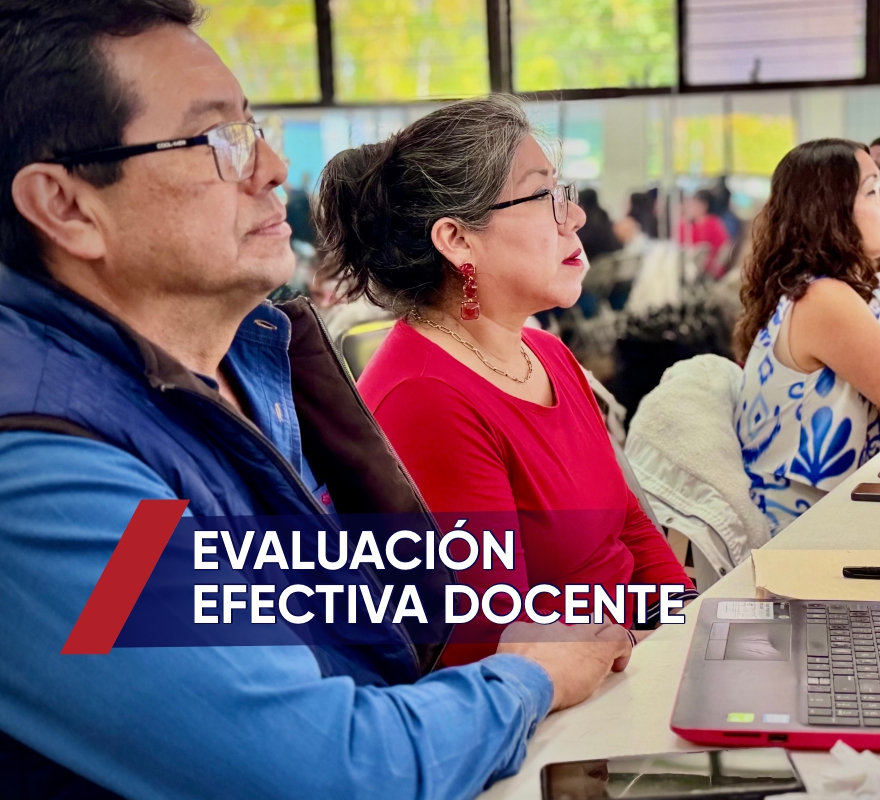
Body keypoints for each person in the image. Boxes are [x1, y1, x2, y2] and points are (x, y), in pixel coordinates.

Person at [0, 3, 630, 798]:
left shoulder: (236, 364)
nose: (270, 166)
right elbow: (333, 771)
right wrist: (532, 674)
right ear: (66, 206)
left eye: (253, 128)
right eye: (216, 140)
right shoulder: (44, 467)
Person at [316, 96, 696, 664]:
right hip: (565, 713)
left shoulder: (545, 352)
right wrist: (643, 647)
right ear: (458, 240)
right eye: (544, 195)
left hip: (634, 664)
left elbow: (631, 531)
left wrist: (685, 626)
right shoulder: (425, 399)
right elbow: (497, 641)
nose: (575, 216)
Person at [734, 139, 880, 534]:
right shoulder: (821, 297)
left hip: (852, 506)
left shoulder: (872, 279)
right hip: (801, 531)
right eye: (873, 189)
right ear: (829, 213)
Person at [680, 188, 731, 278]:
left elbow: (725, 247)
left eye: (695, 204)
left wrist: (716, 266)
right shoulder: (685, 224)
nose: (691, 207)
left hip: (707, 272)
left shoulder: (713, 223)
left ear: (704, 206)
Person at [576, 187, 622, 260]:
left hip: (595, 262)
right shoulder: (603, 213)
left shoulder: (586, 218)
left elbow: (582, 241)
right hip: (609, 260)